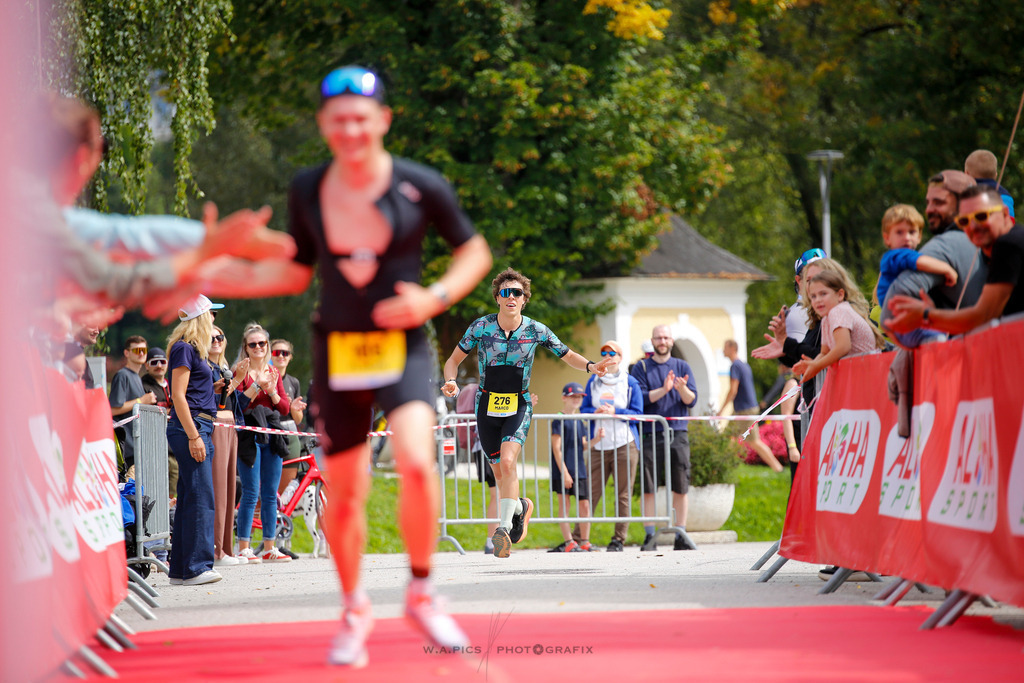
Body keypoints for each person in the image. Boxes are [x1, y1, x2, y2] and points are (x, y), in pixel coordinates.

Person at [188, 66, 495, 666]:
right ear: (324, 125)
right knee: (347, 491)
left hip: (402, 345)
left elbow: (474, 251)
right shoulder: (308, 188)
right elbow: (296, 270)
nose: (351, 130)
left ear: (383, 120)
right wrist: (214, 270)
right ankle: (355, 609)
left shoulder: (420, 184)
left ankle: (422, 590)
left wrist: (432, 299)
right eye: (339, 120)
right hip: (338, 351)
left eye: (361, 118)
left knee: (416, 461)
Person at [443, 268, 613, 559]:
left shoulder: (536, 330)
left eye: (517, 293)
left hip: (518, 404)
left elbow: (567, 354)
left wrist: (590, 366)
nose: (511, 297)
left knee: (508, 461)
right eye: (506, 292)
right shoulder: (481, 327)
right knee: (499, 471)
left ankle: (504, 529)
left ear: (524, 300)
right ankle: (521, 506)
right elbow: (453, 360)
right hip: (486, 405)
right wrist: (451, 381)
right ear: (498, 298)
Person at [888, 185, 1024, 333]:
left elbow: (982, 317)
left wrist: (925, 315)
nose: (973, 226)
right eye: (964, 221)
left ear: (1005, 213)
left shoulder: (1008, 244)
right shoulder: (1007, 245)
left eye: (981, 216)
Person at [879, 170, 987, 347]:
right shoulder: (989, 243)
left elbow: (892, 308)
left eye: (939, 202)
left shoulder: (944, 246)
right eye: (928, 202)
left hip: (961, 355)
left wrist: (900, 331)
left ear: (963, 205)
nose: (929, 209)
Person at [165, 294, 225, 586]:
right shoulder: (184, 348)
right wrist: (193, 436)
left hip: (198, 424)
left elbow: (188, 392)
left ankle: (181, 570)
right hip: (192, 427)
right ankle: (197, 566)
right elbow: (178, 396)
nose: (214, 319)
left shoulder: (192, 350)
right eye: (211, 313)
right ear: (201, 318)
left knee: (191, 497)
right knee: (201, 497)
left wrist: (213, 388)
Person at [630, 325, 698, 551]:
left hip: (677, 432)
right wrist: (664, 389)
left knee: (681, 485)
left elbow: (691, 400)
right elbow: (640, 399)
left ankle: (681, 534)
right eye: (658, 338)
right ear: (652, 341)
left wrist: (681, 389)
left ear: (671, 341)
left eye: (666, 337)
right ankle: (650, 535)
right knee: (649, 486)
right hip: (651, 433)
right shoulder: (641, 367)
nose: (662, 341)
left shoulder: (682, 366)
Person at [232, 323, 293, 564]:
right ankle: (243, 547)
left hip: (272, 433)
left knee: (270, 493)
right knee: (250, 491)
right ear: (246, 348)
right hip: (249, 435)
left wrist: (272, 390)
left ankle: (270, 546)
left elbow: (285, 408)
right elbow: (237, 405)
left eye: (262, 343)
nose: (258, 347)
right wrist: (257, 385)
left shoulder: (273, 371)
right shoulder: (240, 371)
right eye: (253, 344)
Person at [578, 342, 642, 551]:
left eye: (611, 352)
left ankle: (618, 539)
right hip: (598, 445)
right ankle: (579, 538)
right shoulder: (593, 381)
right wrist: (595, 412)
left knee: (623, 494)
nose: (607, 355)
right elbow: (584, 408)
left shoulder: (630, 382)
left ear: (620, 357)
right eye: (603, 352)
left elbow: (639, 413)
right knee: (590, 492)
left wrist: (616, 412)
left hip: (624, 444)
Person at [793, 270, 886, 381]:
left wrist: (817, 366)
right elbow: (824, 353)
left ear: (840, 295)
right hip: (858, 375)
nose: (818, 300)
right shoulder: (826, 319)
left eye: (823, 294)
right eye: (813, 296)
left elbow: (843, 347)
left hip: (867, 375)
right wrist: (812, 365)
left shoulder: (839, 311)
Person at [207, 325, 247, 567]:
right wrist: (237, 379)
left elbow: (235, 400)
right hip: (215, 427)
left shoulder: (222, 367)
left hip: (231, 426)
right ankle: (216, 550)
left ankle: (225, 548)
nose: (216, 341)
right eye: (211, 337)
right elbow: (204, 399)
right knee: (218, 489)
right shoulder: (204, 367)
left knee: (230, 489)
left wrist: (239, 380)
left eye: (219, 337)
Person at [874, 204, 958, 310]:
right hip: (896, 309)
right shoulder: (893, 256)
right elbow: (920, 262)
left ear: (919, 236)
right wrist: (947, 268)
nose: (907, 237)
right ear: (887, 238)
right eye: (899, 232)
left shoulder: (911, 254)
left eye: (912, 232)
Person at [720, 339, 783, 473]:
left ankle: (778, 468)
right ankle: (723, 467)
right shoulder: (744, 365)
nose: (723, 350)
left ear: (732, 348)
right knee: (730, 437)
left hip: (745, 410)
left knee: (754, 441)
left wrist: (721, 410)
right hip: (742, 409)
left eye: (725, 347)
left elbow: (733, 391)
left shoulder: (735, 366)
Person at [456, 380, 498, 554]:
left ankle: (495, 540)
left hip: (482, 447)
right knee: (497, 494)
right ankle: (492, 541)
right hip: (487, 447)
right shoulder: (486, 391)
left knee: (499, 493)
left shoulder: (483, 390)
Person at [549, 382, 591, 553]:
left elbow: (584, 445)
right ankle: (569, 542)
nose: (576, 399)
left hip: (579, 469)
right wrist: (564, 472)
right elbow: (556, 448)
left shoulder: (580, 419)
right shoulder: (559, 418)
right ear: (564, 398)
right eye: (573, 396)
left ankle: (585, 541)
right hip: (563, 469)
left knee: (585, 505)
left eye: (579, 397)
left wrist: (597, 439)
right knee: (565, 504)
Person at [109, 335, 157, 468]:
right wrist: (141, 400)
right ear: (127, 353)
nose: (141, 353)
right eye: (136, 350)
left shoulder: (136, 377)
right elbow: (112, 409)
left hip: (138, 446)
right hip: (128, 450)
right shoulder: (122, 375)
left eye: (144, 350)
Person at [271, 338, 309, 498]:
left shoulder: (294, 382)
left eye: (285, 353)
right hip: (270, 431)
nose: (281, 356)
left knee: (286, 491)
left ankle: (282, 514)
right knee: (266, 488)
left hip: (290, 433)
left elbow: (298, 420)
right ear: (270, 356)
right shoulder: (265, 378)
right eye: (276, 352)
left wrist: (293, 408)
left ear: (290, 357)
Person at [141, 347, 179, 496]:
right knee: (156, 491)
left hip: (174, 447)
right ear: (146, 366)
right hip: (154, 448)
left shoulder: (174, 385)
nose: (158, 366)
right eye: (154, 362)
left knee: (174, 492)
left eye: (162, 362)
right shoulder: (143, 386)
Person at [964, 149, 1015, 222]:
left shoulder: (964, 193)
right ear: (996, 175)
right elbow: (1010, 221)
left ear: (967, 174)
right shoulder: (1006, 195)